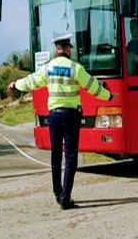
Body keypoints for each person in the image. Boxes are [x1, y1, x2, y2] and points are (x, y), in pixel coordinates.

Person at [8, 34, 113, 210]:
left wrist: (15, 84)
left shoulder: (47, 68)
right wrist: (108, 96)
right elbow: (93, 87)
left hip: (54, 117)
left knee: (55, 156)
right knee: (70, 157)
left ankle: (58, 193)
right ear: (67, 49)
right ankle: (65, 198)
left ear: (56, 49)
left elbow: (31, 81)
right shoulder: (75, 68)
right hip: (71, 116)